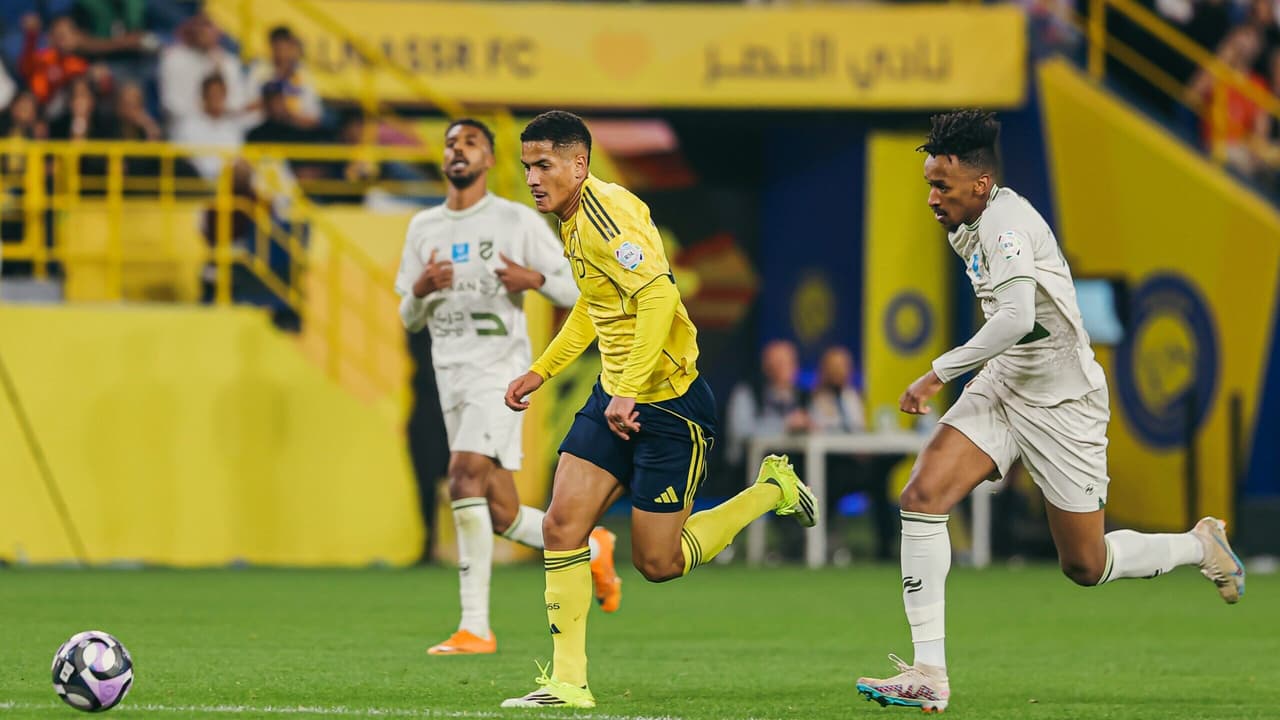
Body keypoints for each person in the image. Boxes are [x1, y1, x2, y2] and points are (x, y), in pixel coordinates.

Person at [853, 110, 1245, 714]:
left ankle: (1201, 544)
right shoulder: (969, 218)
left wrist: (938, 371)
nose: (932, 197)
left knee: (1086, 565)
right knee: (922, 497)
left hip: (1066, 402)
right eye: (929, 183)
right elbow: (1010, 331)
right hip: (1009, 383)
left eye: (942, 185)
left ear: (980, 183)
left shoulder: (1004, 223)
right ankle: (929, 671)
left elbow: (1014, 319)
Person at [500, 110, 818, 709]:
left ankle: (770, 490)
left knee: (659, 562)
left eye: (544, 165)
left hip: (670, 405)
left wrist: (629, 388)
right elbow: (595, 307)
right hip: (616, 397)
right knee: (560, 525)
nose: (533, 178)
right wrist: (541, 370)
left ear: (579, 164)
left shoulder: (603, 216)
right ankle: (568, 683)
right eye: (527, 167)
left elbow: (660, 296)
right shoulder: (573, 219)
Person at [395, 118, 613, 657]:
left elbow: (571, 282)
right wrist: (421, 289)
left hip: (499, 372)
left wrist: (533, 281)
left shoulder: (514, 221)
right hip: (451, 375)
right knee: (502, 514)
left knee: (462, 475)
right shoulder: (424, 226)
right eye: (450, 144)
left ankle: (475, 627)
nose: (457, 150)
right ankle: (592, 550)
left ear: (489, 159)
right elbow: (409, 314)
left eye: (469, 142)